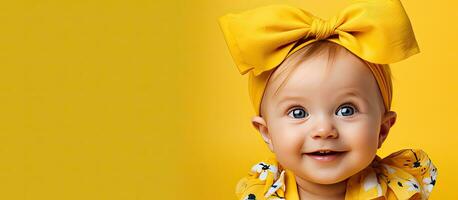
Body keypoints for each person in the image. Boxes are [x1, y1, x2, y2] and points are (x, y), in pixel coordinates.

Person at [218, 0, 438, 199]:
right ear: (267, 133)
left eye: (346, 110)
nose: (324, 130)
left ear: (382, 129)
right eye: (298, 112)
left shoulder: (397, 193)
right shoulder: (263, 194)